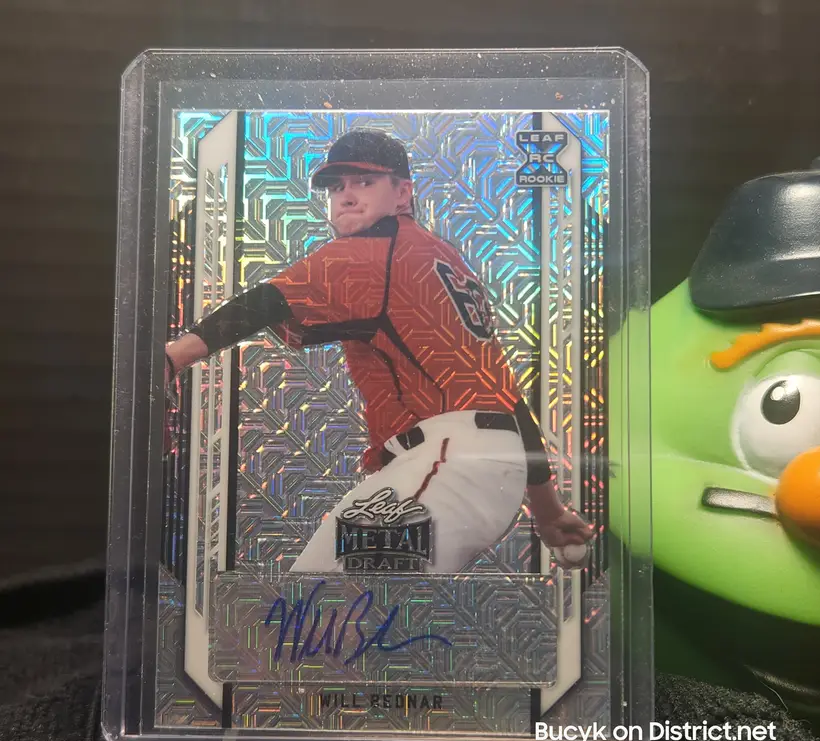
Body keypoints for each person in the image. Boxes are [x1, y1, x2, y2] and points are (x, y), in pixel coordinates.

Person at [165, 128, 593, 573]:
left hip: (448, 461)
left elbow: (265, 301)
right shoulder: (441, 259)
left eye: (364, 182)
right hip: (467, 463)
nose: (346, 196)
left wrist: (173, 358)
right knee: (323, 595)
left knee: (335, 598)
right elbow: (507, 401)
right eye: (336, 187)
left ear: (403, 192)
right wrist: (547, 511)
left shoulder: (377, 251)